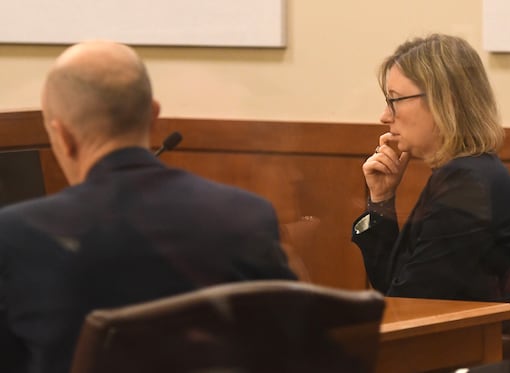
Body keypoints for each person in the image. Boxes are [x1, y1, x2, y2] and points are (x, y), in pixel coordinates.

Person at [0, 40, 296, 373]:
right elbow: (288, 351)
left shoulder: (14, 237)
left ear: (63, 136)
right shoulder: (247, 216)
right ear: (154, 115)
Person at [351, 34, 510, 302]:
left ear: (445, 102)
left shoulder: (465, 183)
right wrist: (382, 200)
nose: (384, 116)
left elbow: (410, 303)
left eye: (394, 100)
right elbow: (399, 286)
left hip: (468, 342)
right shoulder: (469, 172)